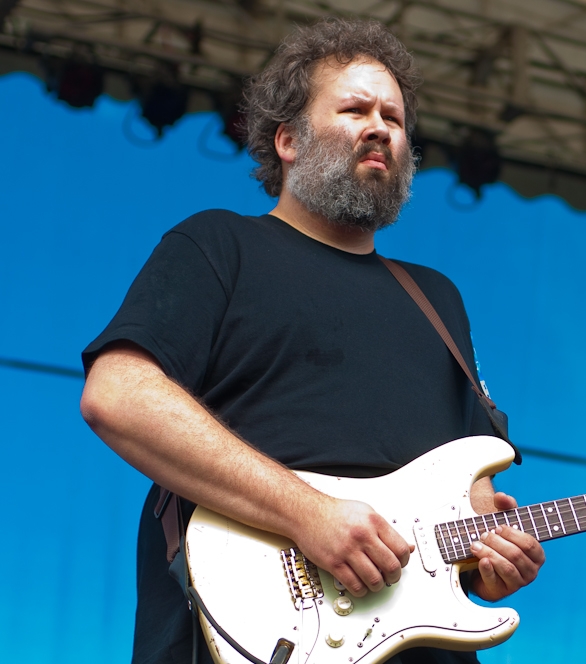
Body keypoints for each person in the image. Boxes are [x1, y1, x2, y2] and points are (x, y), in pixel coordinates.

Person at [79, 18, 544, 664]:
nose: (381, 126)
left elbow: (470, 507)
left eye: (394, 117)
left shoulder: (439, 301)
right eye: (355, 109)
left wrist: (491, 564)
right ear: (288, 140)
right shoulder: (217, 247)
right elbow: (118, 395)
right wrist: (309, 516)